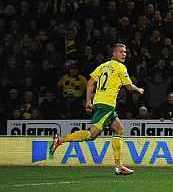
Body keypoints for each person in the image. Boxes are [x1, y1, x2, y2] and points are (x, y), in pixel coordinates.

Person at [49, 43, 145, 175]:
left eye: (125, 52)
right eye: (121, 52)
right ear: (114, 53)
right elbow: (129, 87)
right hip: (107, 105)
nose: (124, 54)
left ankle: (119, 166)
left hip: (100, 102)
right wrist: (138, 89)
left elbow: (90, 83)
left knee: (119, 129)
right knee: (92, 135)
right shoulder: (121, 67)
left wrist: (88, 100)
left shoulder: (103, 66)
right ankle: (60, 139)